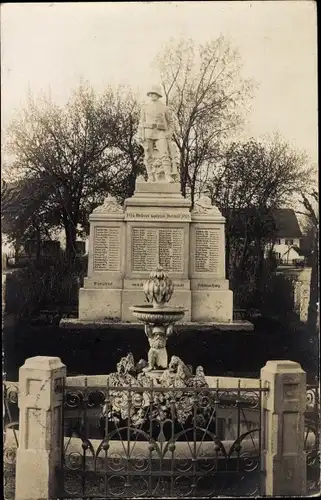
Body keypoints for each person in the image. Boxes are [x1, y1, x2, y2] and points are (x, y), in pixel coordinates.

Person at [136, 84, 179, 182]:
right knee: (148, 156)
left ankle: (168, 175)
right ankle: (150, 176)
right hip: (148, 133)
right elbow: (141, 122)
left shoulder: (164, 108)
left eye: (155, 93)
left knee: (165, 154)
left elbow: (171, 122)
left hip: (161, 133)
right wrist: (140, 135)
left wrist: (169, 133)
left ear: (158, 95)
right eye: (151, 93)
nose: (152, 95)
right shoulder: (144, 107)